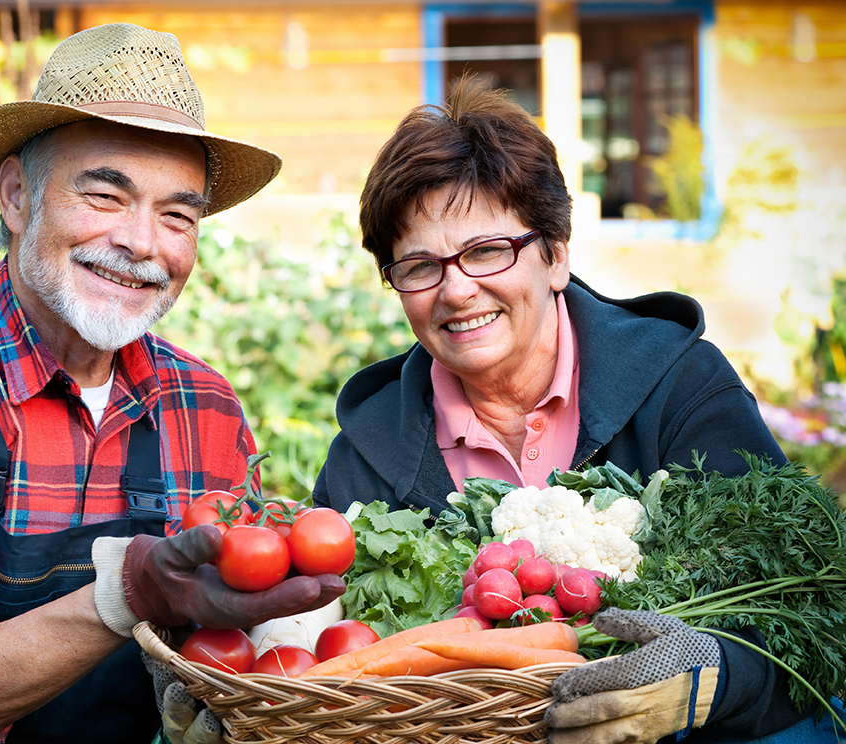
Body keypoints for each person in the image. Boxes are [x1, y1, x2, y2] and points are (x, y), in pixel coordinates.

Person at [0, 23, 344, 744]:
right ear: (16, 197)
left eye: (177, 215)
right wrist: (127, 592)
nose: (143, 243)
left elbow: (231, 657)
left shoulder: (200, 405)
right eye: (106, 196)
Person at [312, 78, 841, 742]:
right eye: (419, 266)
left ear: (556, 254)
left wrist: (709, 676)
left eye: (485, 251)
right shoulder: (362, 456)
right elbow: (321, 651)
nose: (455, 290)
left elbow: (807, 616)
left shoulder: (681, 388)